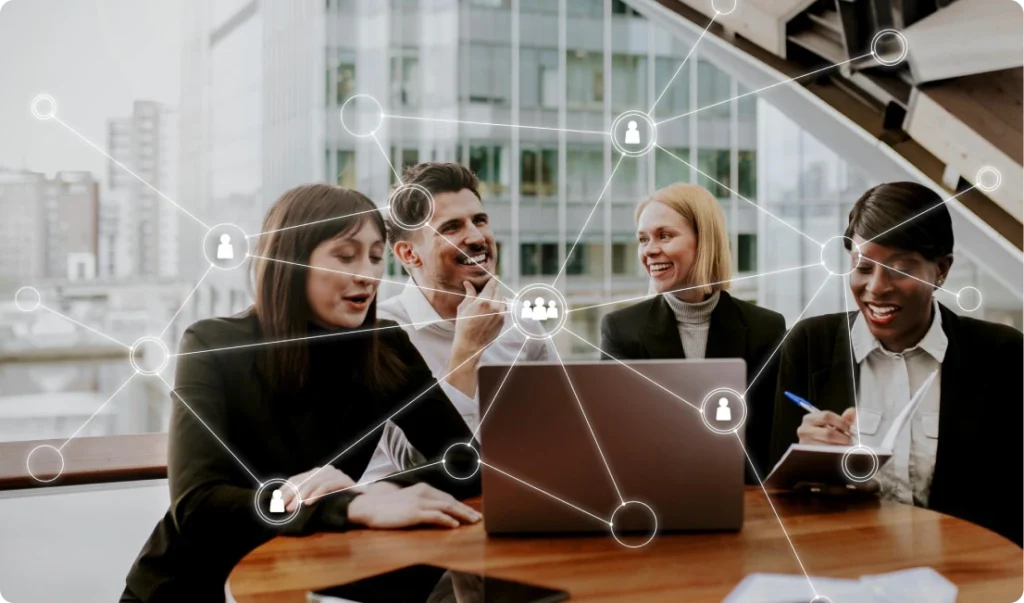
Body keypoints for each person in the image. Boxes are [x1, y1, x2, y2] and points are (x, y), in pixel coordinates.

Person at [121, 184, 482, 602]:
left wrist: (368, 495)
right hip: (190, 586)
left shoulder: (385, 346)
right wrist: (345, 506)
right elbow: (198, 506)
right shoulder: (214, 344)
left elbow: (463, 462)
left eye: (376, 256)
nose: (366, 273)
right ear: (291, 263)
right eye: (346, 256)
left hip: (306, 579)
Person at [770, 181, 1024, 547]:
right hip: (846, 572)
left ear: (941, 271)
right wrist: (805, 466)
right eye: (862, 267)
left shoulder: (1003, 355)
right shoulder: (810, 345)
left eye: (899, 269)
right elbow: (775, 501)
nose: (876, 287)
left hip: (969, 578)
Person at [365, 162, 553, 482]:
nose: (478, 237)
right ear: (409, 254)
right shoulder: (380, 335)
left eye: (479, 220)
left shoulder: (522, 323)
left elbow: (560, 431)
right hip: (422, 518)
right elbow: (414, 465)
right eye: (452, 228)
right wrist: (467, 350)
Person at [600, 183, 786, 482]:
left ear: (705, 240)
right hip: (654, 493)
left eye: (664, 235)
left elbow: (767, 438)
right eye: (643, 239)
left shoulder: (766, 328)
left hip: (742, 495)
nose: (649, 250)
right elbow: (617, 437)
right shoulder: (622, 330)